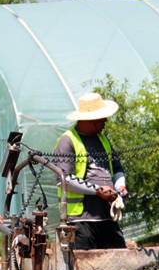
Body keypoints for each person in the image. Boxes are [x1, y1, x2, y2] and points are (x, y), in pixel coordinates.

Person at [53, 93, 128, 250]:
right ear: (90, 120)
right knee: (84, 266)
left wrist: (120, 186)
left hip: (107, 218)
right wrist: (98, 191)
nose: (105, 121)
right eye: (102, 118)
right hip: (81, 222)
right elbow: (64, 179)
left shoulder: (103, 140)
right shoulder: (67, 141)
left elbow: (117, 168)